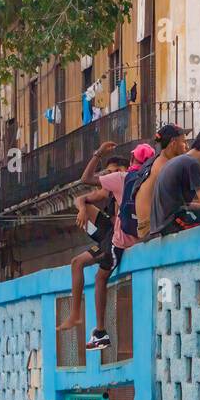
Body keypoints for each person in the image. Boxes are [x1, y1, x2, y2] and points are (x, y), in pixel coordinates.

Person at [57, 143, 132, 350]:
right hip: (108, 235)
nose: (111, 176)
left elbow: (86, 179)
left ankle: (95, 328)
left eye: (114, 172)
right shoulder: (107, 191)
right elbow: (80, 196)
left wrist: (98, 153)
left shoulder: (127, 183)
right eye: (108, 173)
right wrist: (82, 210)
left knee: (85, 267)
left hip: (118, 238)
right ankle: (75, 315)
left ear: (124, 170)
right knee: (86, 209)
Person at [133, 124, 189, 241]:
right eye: (184, 142)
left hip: (145, 227)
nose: (187, 147)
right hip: (152, 229)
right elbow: (181, 205)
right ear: (173, 143)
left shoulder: (155, 162)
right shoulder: (166, 167)